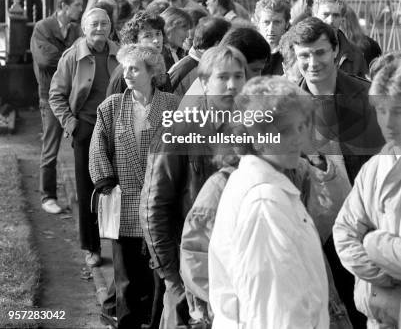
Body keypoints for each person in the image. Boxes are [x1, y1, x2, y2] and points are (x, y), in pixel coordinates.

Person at [208, 76, 329, 328]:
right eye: (284, 130)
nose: (298, 138)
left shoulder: (261, 183)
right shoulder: (265, 201)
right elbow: (275, 312)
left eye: (300, 126)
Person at [140, 45, 247, 329]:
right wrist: (172, 279)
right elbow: (153, 207)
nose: (232, 84)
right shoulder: (178, 130)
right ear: (203, 82)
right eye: (222, 77)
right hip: (187, 271)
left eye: (239, 76)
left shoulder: (252, 130)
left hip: (237, 273)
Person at [291, 16, 384, 326]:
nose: (312, 62)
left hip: (365, 226)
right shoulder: (287, 104)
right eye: (304, 55)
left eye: (319, 52)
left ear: (335, 51)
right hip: (314, 231)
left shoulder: (368, 97)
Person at [89, 44, 178, 329]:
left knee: (159, 276)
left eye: (135, 68)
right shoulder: (112, 106)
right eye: (124, 67)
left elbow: (185, 148)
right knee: (125, 276)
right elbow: (97, 146)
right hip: (124, 199)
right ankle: (126, 323)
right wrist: (105, 180)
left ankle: (154, 323)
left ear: (152, 72)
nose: (127, 73)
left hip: (159, 202)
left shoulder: (173, 105)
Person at [334, 55, 401, 328]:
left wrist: (373, 243)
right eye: (380, 110)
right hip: (377, 317)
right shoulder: (374, 167)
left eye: (396, 111)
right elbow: (344, 233)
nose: (386, 122)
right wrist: (386, 280)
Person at [49, 7, 119, 268]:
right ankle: (91, 247)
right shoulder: (72, 57)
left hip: (117, 129)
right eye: (95, 24)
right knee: (87, 189)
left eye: (105, 24)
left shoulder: (120, 53)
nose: (100, 28)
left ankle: (120, 242)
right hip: (86, 129)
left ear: (111, 27)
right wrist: (72, 125)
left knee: (118, 187)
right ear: (84, 28)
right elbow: (55, 95)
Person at [30, 0, 83, 214]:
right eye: (77, 5)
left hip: (74, 94)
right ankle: (47, 196)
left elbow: (82, 56)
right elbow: (44, 59)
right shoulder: (42, 27)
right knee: (50, 146)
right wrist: (72, 54)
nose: (80, 9)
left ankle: (80, 191)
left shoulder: (76, 29)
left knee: (80, 143)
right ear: (63, 6)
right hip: (50, 95)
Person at [169, 17, 231, 98]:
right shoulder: (184, 70)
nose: (231, 46)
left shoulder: (215, 64)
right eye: (228, 41)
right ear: (217, 44)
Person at [312, 0, 368, 77]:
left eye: (336, 15)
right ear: (315, 16)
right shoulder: (302, 50)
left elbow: (363, 88)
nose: (330, 20)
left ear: (342, 19)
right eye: (325, 15)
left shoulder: (355, 54)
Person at [253, 0, 291, 75]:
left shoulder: (293, 54)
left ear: (287, 23)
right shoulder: (249, 53)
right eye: (266, 22)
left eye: (277, 22)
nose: (271, 29)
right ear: (257, 23)